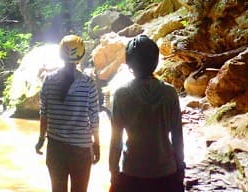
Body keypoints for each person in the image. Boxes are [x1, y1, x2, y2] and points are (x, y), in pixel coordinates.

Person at [108, 34, 185, 192]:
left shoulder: (122, 94)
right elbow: (177, 135)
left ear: (130, 62)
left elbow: (116, 139)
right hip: (166, 173)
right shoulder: (169, 93)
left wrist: (113, 170)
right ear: (155, 61)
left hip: (132, 172)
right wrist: (180, 166)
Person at [35, 34, 100, 192]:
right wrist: (97, 144)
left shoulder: (48, 81)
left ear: (60, 54)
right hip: (81, 150)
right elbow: (94, 119)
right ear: (81, 55)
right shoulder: (88, 83)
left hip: (56, 149)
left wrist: (41, 139)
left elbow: (44, 114)